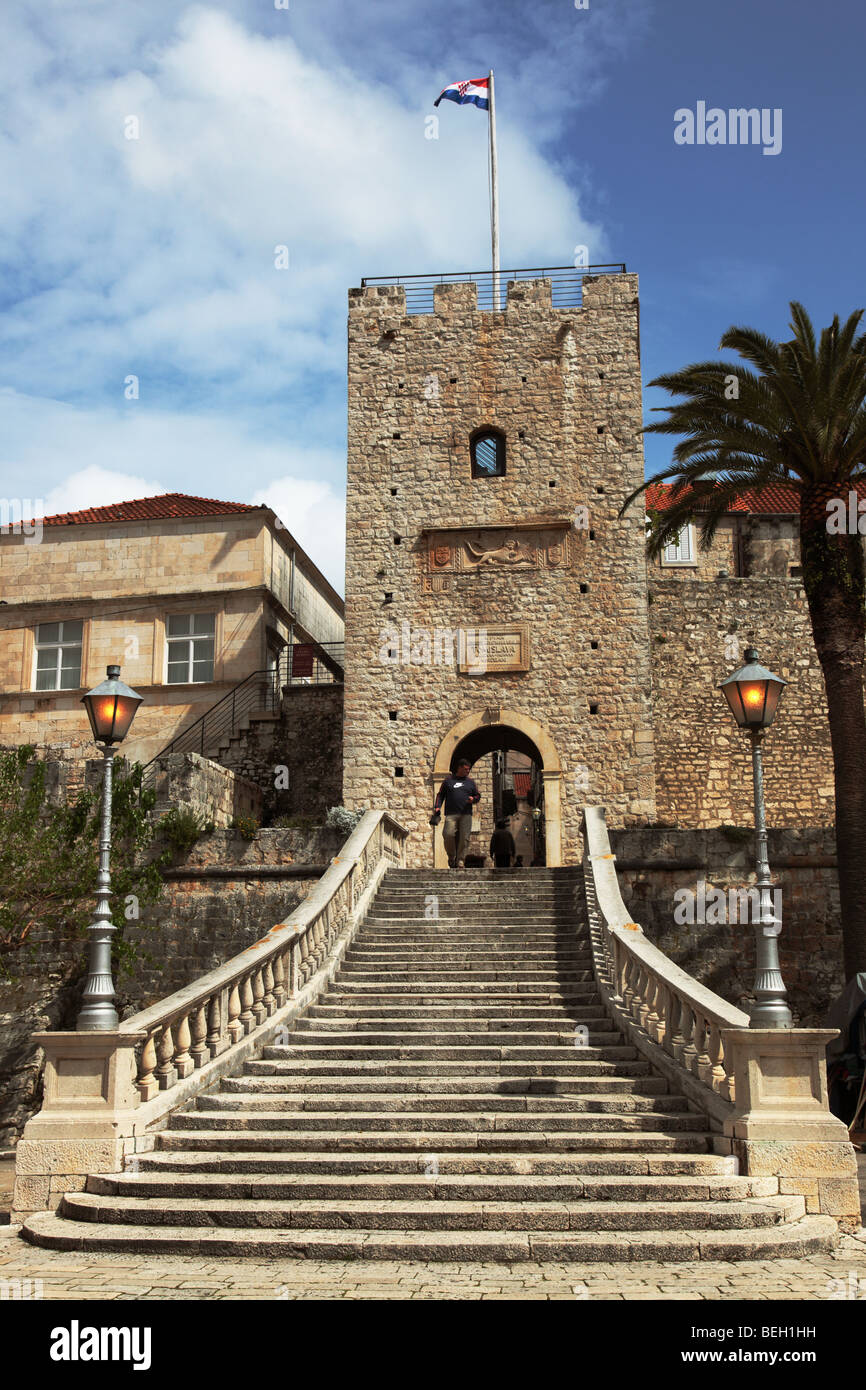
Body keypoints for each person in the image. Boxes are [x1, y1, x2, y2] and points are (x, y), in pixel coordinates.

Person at [430, 757, 481, 868]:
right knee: (447, 834)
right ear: (459, 768)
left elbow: (478, 796)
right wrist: (437, 807)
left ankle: (460, 860)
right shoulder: (448, 781)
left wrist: (473, 799)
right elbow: (440, 795)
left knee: (464, 837)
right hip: (451, 814)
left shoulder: (471, 783)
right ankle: (452, 856)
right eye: (466, 769)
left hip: (466, 814)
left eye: (469, 769)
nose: (468, 771)